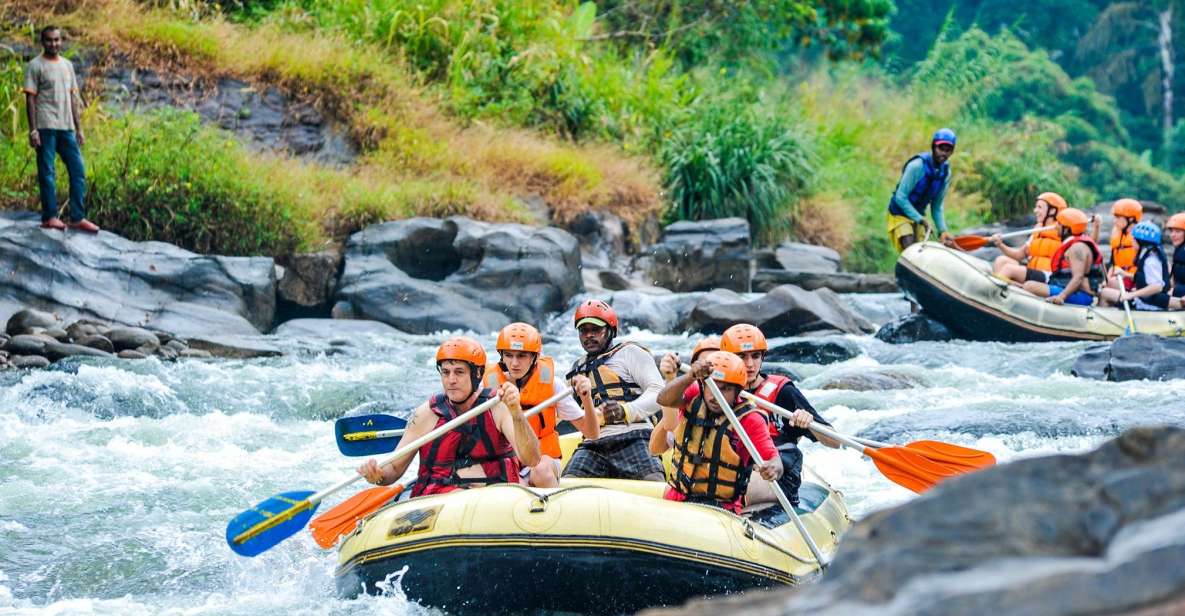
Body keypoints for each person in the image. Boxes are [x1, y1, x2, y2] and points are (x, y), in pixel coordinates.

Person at [357, 337, 541, 496]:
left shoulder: (498, 407)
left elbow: (532, 459)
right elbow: (394, 470)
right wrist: (377, 475)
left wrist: (517, 413)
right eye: (445, 372)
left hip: (495, 499)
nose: (451, 380)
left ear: (477, 373)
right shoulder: (425, 414)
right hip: (441, 504)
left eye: (459, 372)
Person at [716, 323, 839, 507]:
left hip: (778, 473)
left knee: (729, 490)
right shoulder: (717, 392)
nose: (750, 364)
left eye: (755, 356)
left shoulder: (783, 392)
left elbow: (835, 441)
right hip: (736, 465)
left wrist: (808, 420)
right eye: (741, 357)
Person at [652, 350, 782, 513]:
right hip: (678, 497)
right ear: (703, 384)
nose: (715, 396)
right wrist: (690, 375)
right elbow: (663, 399)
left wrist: (773, 469)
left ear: (737, 391)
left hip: (720, 508)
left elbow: (775, 461)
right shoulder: (694, 395)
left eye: (725, 389)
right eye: (712, 387)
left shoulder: (750, 419)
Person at [483, 322, 598, 488]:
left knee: (540, 470)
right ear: (502, 356)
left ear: (535, 357)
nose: (514, 363)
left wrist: (586, 398)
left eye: (521, 356)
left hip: (545, 459)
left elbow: (592, 433)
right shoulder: (488, 385)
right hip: (509, 460)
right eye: (509, 355)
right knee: (514, 483)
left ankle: (556, 509)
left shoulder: (552, 384)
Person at [562, 299, 666, 481]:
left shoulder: (630, 353)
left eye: (595, 330)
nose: (589, 335)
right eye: (583, 330)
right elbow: (564, 411)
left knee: (653, 480)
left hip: (635, 435)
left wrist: (625, 411)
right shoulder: (576, 369)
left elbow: (658, 391)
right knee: (568, 483)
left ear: (610, 330)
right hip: (594, 444)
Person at [23, 26, 99, 233]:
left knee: (78, 171)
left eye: (56, 40)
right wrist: (33, 130)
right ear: (42, 42)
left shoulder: (67, 66)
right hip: (46, 125)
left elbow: (73, 98)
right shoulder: (35, 65)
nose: (53, 44)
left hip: (66, 127)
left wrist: (79, 128)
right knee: (47, 172)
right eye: (49, 40)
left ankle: (77, 217)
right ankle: (49, 217)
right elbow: (30, 99)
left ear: (61, 41)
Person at [886, 128, 958, 252]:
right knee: (910, 249)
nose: (944, 153)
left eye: (948, 150)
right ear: (933, 147)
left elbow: (936, 206)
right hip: (899, 213)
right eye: (941, 148)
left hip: (918, 216)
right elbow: (900, 197)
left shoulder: (945, 173)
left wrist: (943, 230)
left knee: (921, 251)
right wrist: (920, 219)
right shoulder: (916, 166)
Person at [1022, 208, 1103, 306]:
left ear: (1067, 229)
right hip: (1067, 289)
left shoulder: (1077, 248)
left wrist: (1061, 297)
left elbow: (1078, 277)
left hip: (1081, 296)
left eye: (1059, 224)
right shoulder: (1075, 244)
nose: (1056, 226)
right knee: (1025, 284)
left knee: (1029, 286)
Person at [990, 192, 1067, 285]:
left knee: (1009, 269)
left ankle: (994, 289)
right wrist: (1000, 244)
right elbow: (1019, 255)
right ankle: (1006, 291)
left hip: (1049, 276)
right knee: (1001, 260)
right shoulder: (1038, 229)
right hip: (1033, 270)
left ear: (1052, 211)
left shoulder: (1063, 231)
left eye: (1039, 207)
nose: (1035, 210)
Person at [1099, 222, 1169, 311]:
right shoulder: (1148, 255)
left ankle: (1101, 321)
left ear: (1141, 242)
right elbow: (1145, 279)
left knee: (1104, 293)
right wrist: (1125, 274)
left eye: (1134, 239)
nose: (1132, 242)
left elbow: (1157, 286)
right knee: (1108, 289)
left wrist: (1132, 295)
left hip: (1146, 304)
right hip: (1144, 300)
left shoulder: (1150, 261)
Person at [1095, 198, 1142, 294]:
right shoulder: (1117, 234)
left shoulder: (1141, 238)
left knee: (1107, 286)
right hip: (1120, 277)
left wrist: (1125, 275)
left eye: (1118, 217)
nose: (1114, 221)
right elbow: (1113, 264)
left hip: (1135, 280)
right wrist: (1107, 279)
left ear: (1131, 219)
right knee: (1104, 285)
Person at [1166, 213, 1185, 310]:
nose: (1173, 235)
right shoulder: (1179, 250)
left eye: (1177, 231)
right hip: (1178, 294)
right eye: (1171, 231)